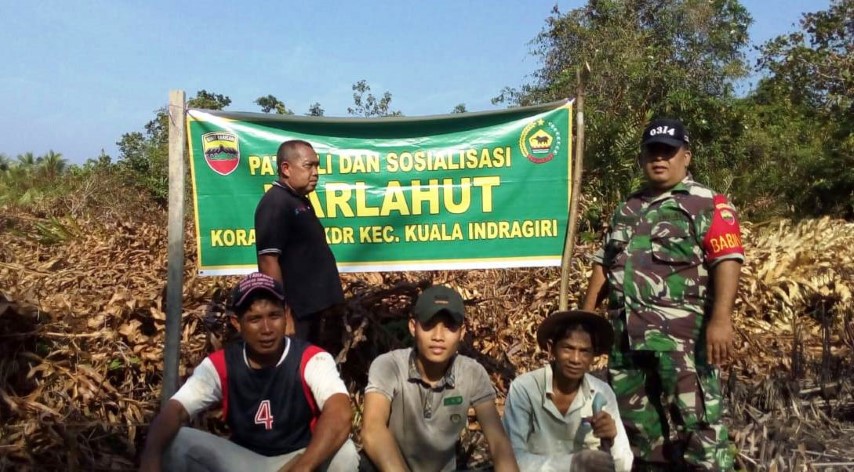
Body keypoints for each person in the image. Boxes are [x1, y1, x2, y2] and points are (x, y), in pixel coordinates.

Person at [582, 118, 744, 470]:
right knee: (637, 432)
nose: (660, 159)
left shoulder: (707, 204)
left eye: (668, 152)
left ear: (686, 156)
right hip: (626, 340)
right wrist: (586, 317)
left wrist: (721, 319)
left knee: (700, 428)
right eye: (652, 152)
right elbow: (604, 262)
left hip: (681, 341)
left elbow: (727, 260)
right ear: (641, 158)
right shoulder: (628, 207)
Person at [139, 272, 358, 472]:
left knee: (344, 453)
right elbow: (175, 410)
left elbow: (340, 412)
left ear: (286, 315)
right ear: (237, 323)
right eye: (254, 319)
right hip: (244, 462)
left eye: (274, 316)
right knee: (176, 442)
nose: (266, 329)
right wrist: (150, 458)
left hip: (299, 457)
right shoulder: (221, 364)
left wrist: (303, 467)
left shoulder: (311, 359)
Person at [360, 285, 519, 472]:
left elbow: (498, 442)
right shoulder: (389, 365)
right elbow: (372, 429)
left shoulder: (472, 373)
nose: (438, 336)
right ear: (413, 327)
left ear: (462, 331)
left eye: (449, 327)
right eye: (429, 325)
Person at [503, 310, 633, 472]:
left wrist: (612, 440)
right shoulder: (525, 389)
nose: (575, 359)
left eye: (585, 351)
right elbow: (509, 459)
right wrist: (572, 464)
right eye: (568, 348)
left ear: (594, 356)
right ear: (552, 349)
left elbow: (624, 465)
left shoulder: (602, 393)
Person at [255, 139, 345, 355]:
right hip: (297, 317)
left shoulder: (298, 200)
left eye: (317, 166)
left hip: (315, 313)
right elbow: (268, 261)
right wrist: (282, 316)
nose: (315, 172)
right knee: (297, 373)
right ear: (286, 168)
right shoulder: (275, 203)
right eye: (309, 165)